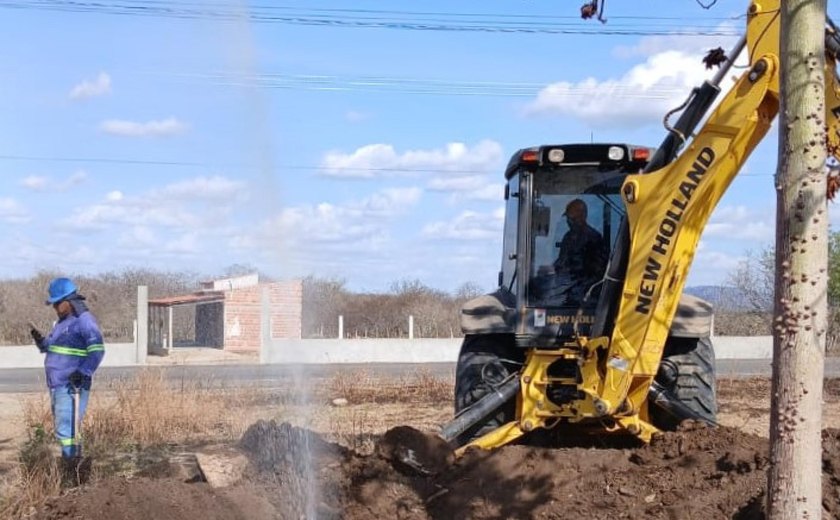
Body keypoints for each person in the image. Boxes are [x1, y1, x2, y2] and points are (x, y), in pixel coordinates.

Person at [30, 277, 104, 461]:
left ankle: (71, 465)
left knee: (68, 428)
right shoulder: (62, 323)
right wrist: (41, 341)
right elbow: (53, 348)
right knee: (65, 427)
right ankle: (71, 462)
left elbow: (97, 351)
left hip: (72, 385)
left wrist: (83, 372)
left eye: (57, 304)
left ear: (69, 301)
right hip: (57, 384)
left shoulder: (85, 321)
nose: (55, 308)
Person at [552, 198, 609, 304]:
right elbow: (563, 260)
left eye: (572, 218)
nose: (569, 222)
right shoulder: (568, 237)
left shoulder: (594, 238)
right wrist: (553, 268)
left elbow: (599, 270)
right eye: (568, 219)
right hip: (567, 292)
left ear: (582, 216)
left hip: (586, 295)